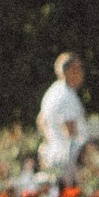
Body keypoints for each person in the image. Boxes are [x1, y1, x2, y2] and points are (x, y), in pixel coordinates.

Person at [38, 49, 92, 178]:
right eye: (78, 69)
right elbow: (70, 130)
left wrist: (52, 142)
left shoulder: (52, 91)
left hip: (53, 154)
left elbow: (40, 120)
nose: (82, 74)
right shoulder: (66, 95)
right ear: (69, 72)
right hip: (70, 160)